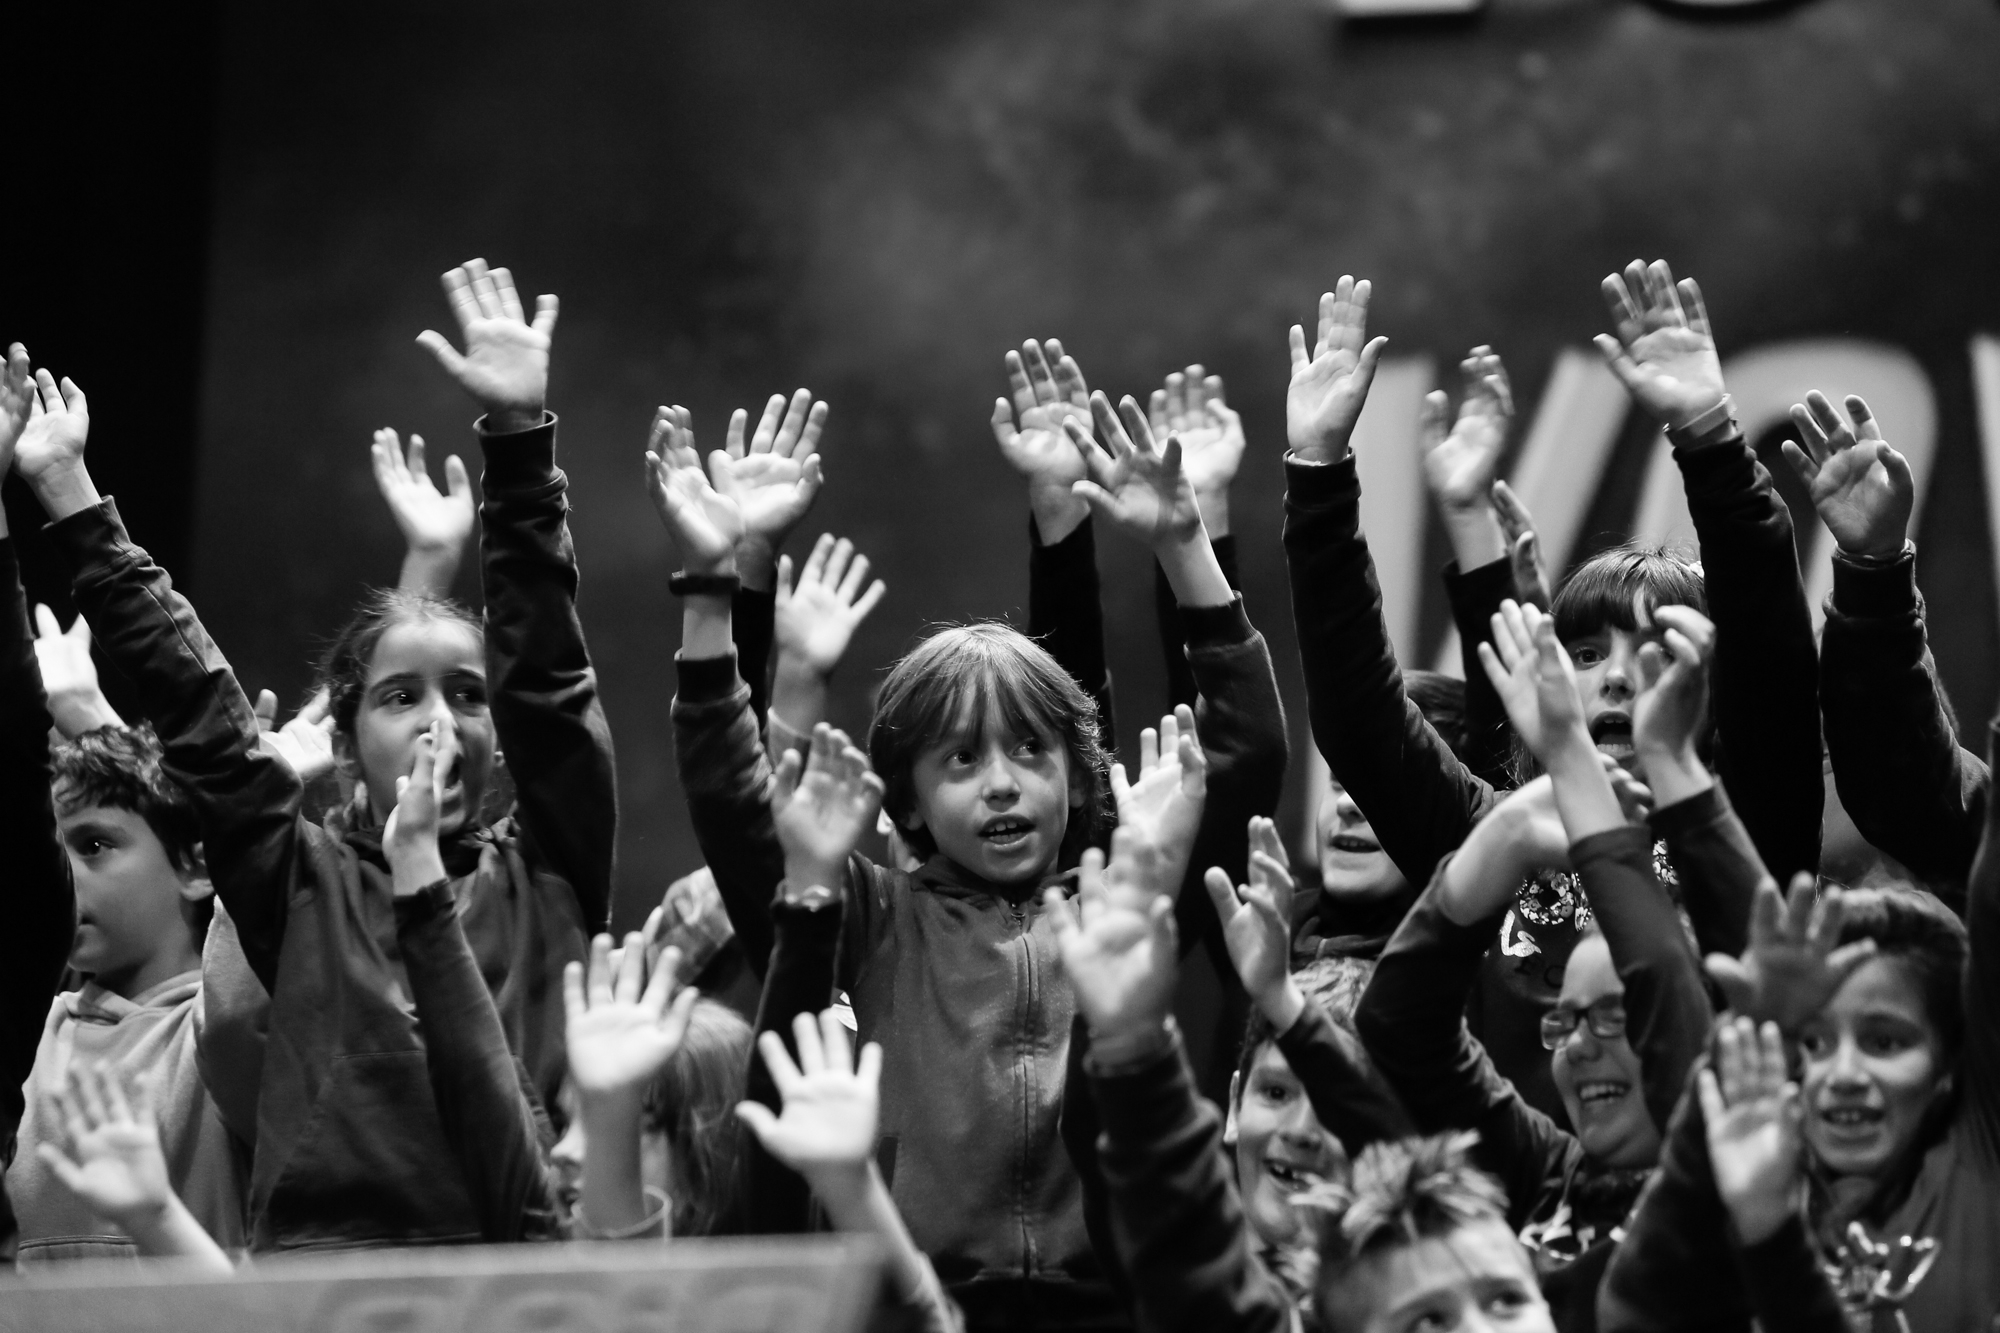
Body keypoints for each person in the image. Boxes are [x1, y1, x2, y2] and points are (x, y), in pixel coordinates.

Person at [11, 259, 612, 1251]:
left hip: (517, 1281)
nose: (436, 720)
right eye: (397, 696)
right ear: (342, 739)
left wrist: (517, 443)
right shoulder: (301, 883)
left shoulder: (546, 863)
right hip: (319, 1284)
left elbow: (548, 677)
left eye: (468, 694)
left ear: (498, 731)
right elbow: (196, 705)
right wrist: (70, 493)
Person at [664, 371, 1283, 1328]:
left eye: (1029, 750)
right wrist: (728, 581)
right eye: (960, 758)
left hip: (1112, 1309)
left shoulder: (1118, 904)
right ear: (902, 800)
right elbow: (734, 801)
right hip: (917, 1305)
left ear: (1078, 778)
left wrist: (1184, 544)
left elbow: (1247, 756)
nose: (1001, 781)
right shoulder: (869, 917)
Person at [1355, 597, 1722, 1330]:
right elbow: (1399, 1030)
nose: (1580, 1047)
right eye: (1566, 1020)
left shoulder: (1731, 1194)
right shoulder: (1545, 1179)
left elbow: (1663, 979)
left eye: (1618, 1015)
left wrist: (1587, 767)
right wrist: (1508, 833)